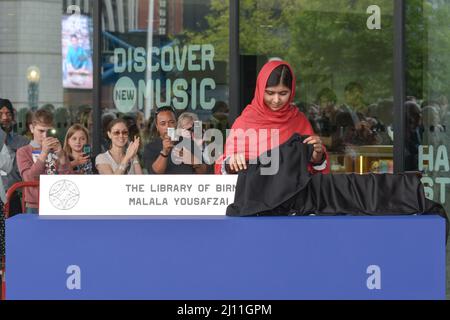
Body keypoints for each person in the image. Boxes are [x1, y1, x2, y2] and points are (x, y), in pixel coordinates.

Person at [216, 60, 329, 174]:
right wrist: (232, 162)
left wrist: (317, 156)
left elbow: (312, 167)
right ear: (260, 90)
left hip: (292, 191)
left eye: (283, 93)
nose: (276, 100)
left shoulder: (299, 121)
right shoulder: (244, 122)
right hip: (254, 191)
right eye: (270, 93)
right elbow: (224, 168)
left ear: (292, 91)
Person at [16, 109, 72, 214]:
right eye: (41, 131)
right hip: (35, 204)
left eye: (49, 131)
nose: (45, 136)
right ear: (32, 128)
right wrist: (44, 153)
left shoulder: (58, 150)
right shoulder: (23, 151)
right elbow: (29, 178)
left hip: (59, 202)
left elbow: (68, 180)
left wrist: (62, 157)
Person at [143, 106, 208, 174]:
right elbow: (154, 173)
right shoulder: (150, 147)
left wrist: (194, 161)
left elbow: (204, 172)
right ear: (157, 126)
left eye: (171, 122)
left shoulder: (189, 143)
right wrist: (164, 153)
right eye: (163, 123)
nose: (168, 126)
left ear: (176, 124)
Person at [0, 99, 30, 216]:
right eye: (0, 114)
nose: (4, 117)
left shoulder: (22, 141)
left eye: (8, 114)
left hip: (15, 196)